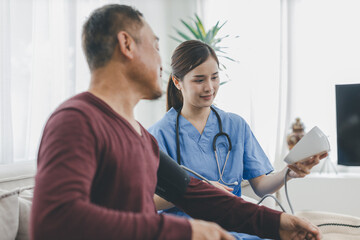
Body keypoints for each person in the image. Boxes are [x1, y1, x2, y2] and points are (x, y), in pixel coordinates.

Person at [30, 4, 323, 240]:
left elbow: (199, 195)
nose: (161, 61)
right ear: (126, 44)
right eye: (156, 45)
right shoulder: (76, 120)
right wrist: (186, 230)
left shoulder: (140, 137)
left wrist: (279, 223)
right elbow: (54, 223)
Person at [149, 40, 328, 239]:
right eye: (199, 80)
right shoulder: (158, 134)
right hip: (190, 232)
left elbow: (261, 186)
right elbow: (147, 201)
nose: (209, 87)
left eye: (214, 78)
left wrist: (290, 172)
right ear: (177, 82)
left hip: (237, 227)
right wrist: (198, 190)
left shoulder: (235, 125)